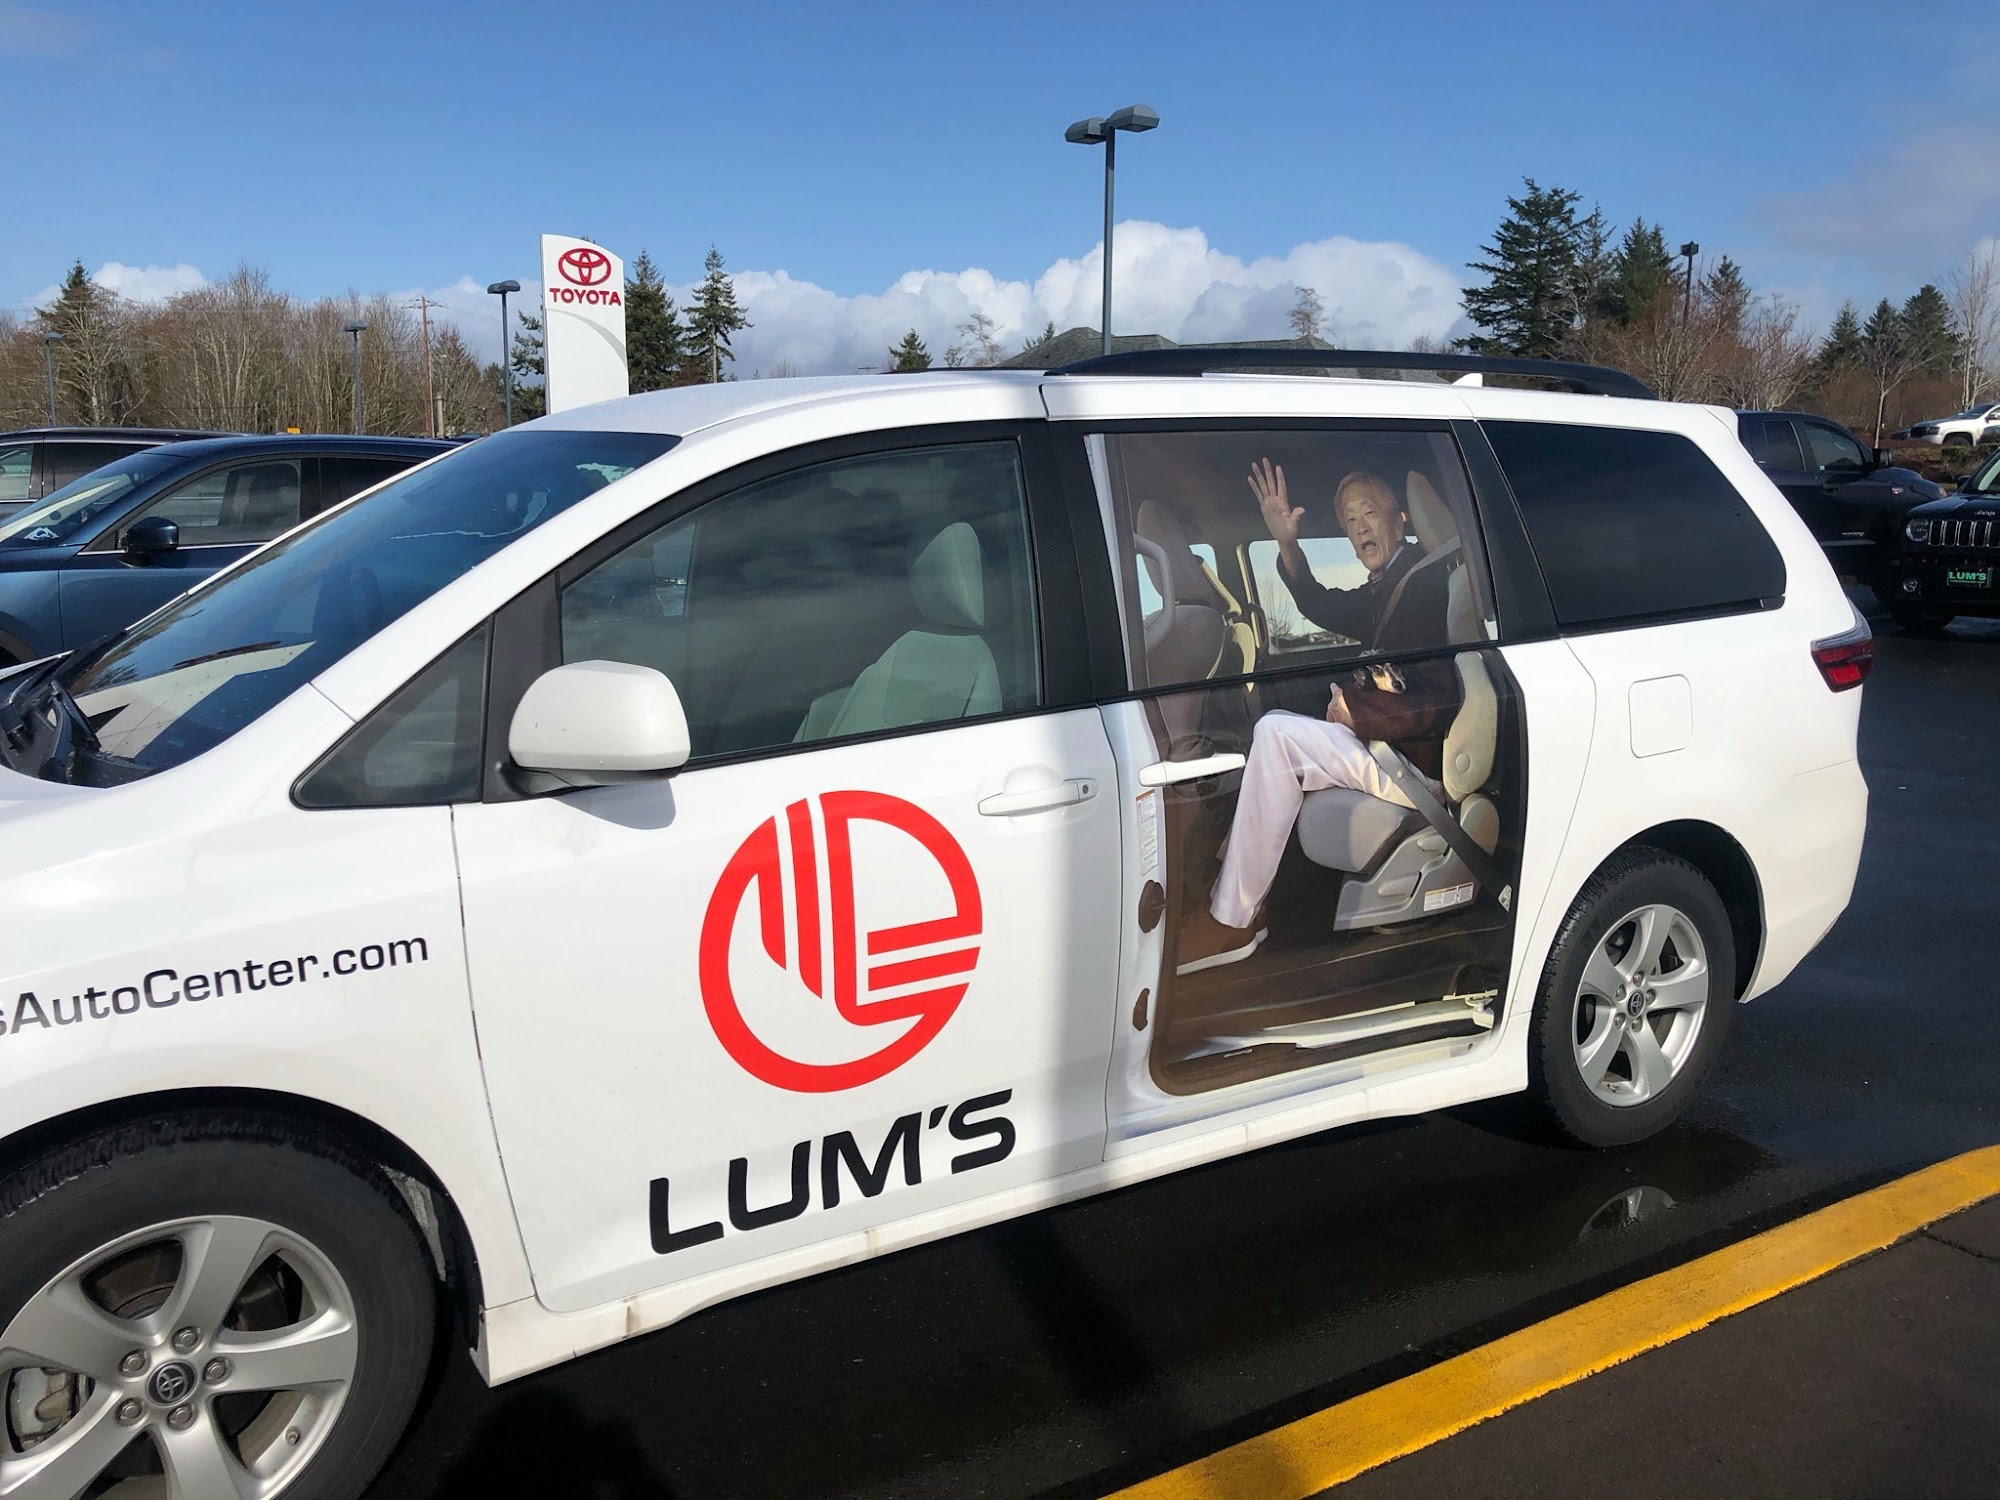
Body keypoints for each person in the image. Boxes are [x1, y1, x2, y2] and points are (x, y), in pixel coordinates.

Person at [1176, 460, 1461, 975]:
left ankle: (1233, 919)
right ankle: (1231, 883)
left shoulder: (1427, 586)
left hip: (1416, 766)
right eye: (1349, 521)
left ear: (1400, 518)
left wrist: (1356, 711)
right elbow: (1318, 605)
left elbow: (1439, 699)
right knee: (1278, 732)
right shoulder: (1388, 586)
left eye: (1368, 513)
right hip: (1390, 750)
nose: (1359, 528)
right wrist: (1286, 542)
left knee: (1276, 733)